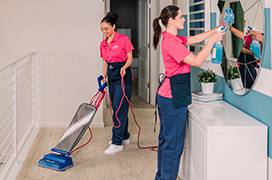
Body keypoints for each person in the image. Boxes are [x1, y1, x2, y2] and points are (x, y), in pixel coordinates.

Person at [152, 5, 224, 180]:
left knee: (166, 141)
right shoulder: (171, 42)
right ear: (171, 20)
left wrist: (217, 29)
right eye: (181, 17)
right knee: (174, 145)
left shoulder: (171, 37)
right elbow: (198, 61)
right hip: (173, 97)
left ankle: (161, 176)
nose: (184, 19)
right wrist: (212, 41)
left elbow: (195, 38)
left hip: (167, 95)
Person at [100, 11, 134, 154]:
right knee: (117, 109)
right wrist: (104, 76)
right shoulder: (103, 44)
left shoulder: (123, 39)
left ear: (114, 26)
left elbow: (130, 58)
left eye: (106, 28)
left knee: (119, 110)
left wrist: (124, 67)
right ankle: (125, 137)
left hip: (123, 78)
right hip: (112, 79)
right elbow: (107, 62)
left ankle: (117, 142)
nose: (104, 32)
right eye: (102, 29)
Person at [229, 21, 263, 88]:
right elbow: (244, 37)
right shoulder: (255, 37)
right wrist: (231, 28)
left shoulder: (265, 38)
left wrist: (262, 39)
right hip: (246, 64)